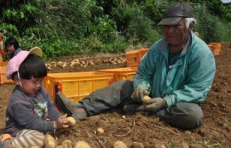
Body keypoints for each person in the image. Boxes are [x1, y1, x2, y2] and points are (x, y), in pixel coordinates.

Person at [55, 2, 216, 129]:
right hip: (150, 96)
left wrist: (166, 101)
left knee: (193, 115)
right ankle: (80, 109)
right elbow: (143, 73)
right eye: (166, 26)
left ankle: (148, 111)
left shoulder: (201, 54)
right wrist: (141, 86)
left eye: (176, 26)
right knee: (122, 86)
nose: (169, 31)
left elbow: (197, 90)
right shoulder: (158, 47)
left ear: (190, 26)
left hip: (175, 105)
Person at [0, 47, 70, 148]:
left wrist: (59, 118)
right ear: (18, 79)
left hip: (36, 127)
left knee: (52, 133)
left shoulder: (41, 91)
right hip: (20, 131)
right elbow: (32, 123)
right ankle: (5, 144)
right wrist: (54, 124)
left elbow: (50, 107)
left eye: (41, 80)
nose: (39, 85)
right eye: (34, 82)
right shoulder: (18, 101)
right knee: (39, 138)